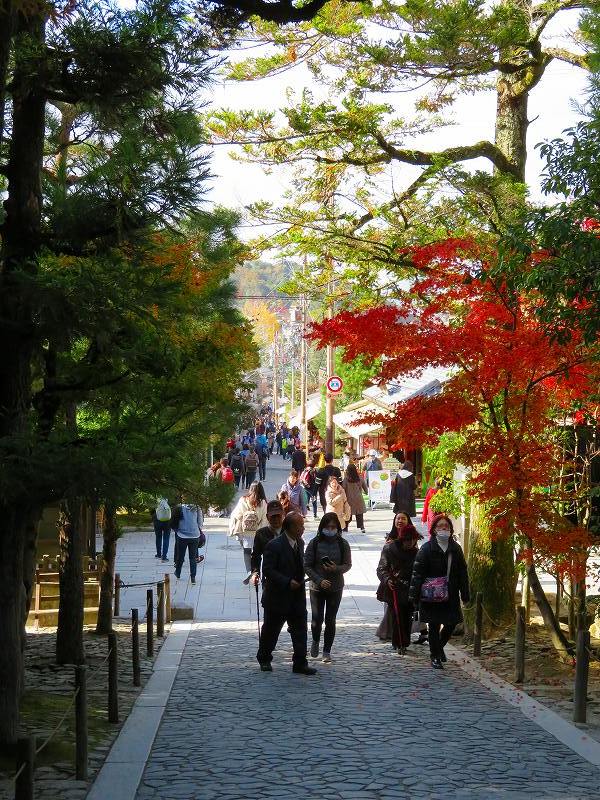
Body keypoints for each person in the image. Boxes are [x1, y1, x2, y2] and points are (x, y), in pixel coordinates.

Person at [256, 512, 317, 675]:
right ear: (290, 527)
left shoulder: (300, 542)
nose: (303, 529)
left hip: (296, 597)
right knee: (271, 631)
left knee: (300, 630)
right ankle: (264, 658)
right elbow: (268, 570)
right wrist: (287, 582)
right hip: (277, 597)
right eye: (300, 526)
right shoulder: (274, 545)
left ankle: (300, 662)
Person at [409, 513, 470, 669]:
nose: (444, 528)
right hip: (431, 594)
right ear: (434, 529)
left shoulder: (455, 548)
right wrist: (414, 596)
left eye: (447, 526)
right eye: (440, 526)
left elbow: (462, 572)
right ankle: (434, 656)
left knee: (451, 623)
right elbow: (417, 574)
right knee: (434, 625)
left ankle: (439, 647)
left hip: (450, 592)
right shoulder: (426, 549)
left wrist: (465, 593)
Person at [304, 512, 352, 663]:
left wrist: (336, 569)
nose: (330, 529)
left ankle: (327, 650)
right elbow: (307, 565)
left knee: (330, 620)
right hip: (317, 587)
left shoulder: (343, 544)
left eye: (333, 527)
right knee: (316, 619)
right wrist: (318, 580)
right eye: (327, 527)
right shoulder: (315, 543)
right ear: (322, 527)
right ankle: (315, 640)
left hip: (335, 586)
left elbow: (348, 564)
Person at [377, 523, 421, 654]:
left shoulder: (416, 552)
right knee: (397, 616)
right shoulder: (390, 549)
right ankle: (398, 642)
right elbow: (381, 568)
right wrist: (387, 579)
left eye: (414, 540)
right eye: (408, 539)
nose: (411, 543)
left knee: (407, 616)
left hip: (410, 588)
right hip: (394, 587)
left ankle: (404, 641)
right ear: (402, 539)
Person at [229, 482, 268, 583]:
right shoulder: (262, 502)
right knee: (257, 553)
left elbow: (237, 515)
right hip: (258, 532)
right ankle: (257, 573)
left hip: (246, 532)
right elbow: (265, 519)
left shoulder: (244, 500)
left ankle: (249, 572)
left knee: (246, 552)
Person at [172, 498, 205, 585]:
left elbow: (173, 521)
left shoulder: (178, 507)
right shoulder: (197, 507)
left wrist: (177, 530)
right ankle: (193, 577)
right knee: (192, 557)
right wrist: (197, 529)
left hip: (182, 535)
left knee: (181, 556)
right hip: (194, 536)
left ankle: (178, 573)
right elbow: (200, 521)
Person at [251, 500, 285, 586]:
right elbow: (256, 556)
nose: (276, 519)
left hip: (288, 578)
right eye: (273, 516)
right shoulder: (261, 533)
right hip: (269, 578)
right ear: (267, 517)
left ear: (283, 515)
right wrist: (255, 573)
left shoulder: (289, 531)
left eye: (278, 516)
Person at [342, 463, 368, 533]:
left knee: (348, 514)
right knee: (359, 514)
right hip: (359, 499)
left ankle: (345, 528)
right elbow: (365, 487)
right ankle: (362, 527)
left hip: (349, 499)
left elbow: (343, 488)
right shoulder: (359, 478)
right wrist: (366, 492)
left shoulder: (346, 479)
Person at [152, 497, 172, 562]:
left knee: (158, 537)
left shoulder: (156, 497)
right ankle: (164, 557)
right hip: (167, 521)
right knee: (166, 538)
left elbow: (152, 510)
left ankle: (158, 554)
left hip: (157, 520)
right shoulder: (169, 496)